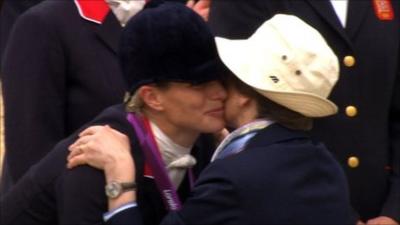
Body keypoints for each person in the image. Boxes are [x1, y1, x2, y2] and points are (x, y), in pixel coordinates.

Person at [68, 14, 354, 225]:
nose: (217, 89)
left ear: (245, 94)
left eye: (225, 77)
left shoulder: (235, 177)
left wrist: (121, 180)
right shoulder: (325, 163)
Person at [0, 2, 226, 225]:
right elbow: (29, 148)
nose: (221, 93)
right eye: (199, 85)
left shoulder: (202, 137)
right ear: (151, 97)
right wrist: (120, 183)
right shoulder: (90, 160)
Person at [207, 1, 400, 224]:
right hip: (288, 207)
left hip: (380, 206)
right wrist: (337, 214)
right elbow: (236, 97)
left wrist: (394, 211)